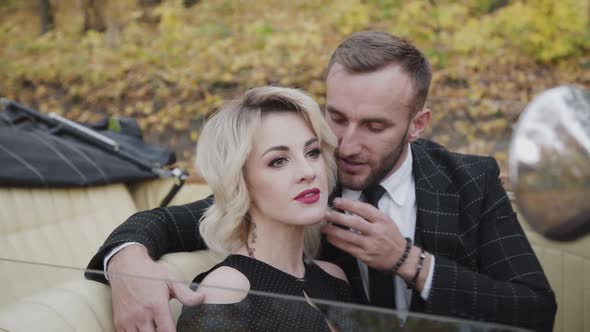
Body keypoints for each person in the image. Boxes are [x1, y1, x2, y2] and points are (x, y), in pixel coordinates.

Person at [86, 31, 557, 332]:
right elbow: (167, 222)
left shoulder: (470, 180)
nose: (345, 144)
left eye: (374, 126)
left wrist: (411, 262)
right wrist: (127, 264)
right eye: (336, 117)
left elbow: (537, 310)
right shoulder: (309, 179)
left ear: (418, 124)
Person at [172, 86, 355, 331]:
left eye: (312, 152)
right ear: (240, 181)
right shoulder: (226, 290)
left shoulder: (334, 278)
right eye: (278, 161)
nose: (308, 172)